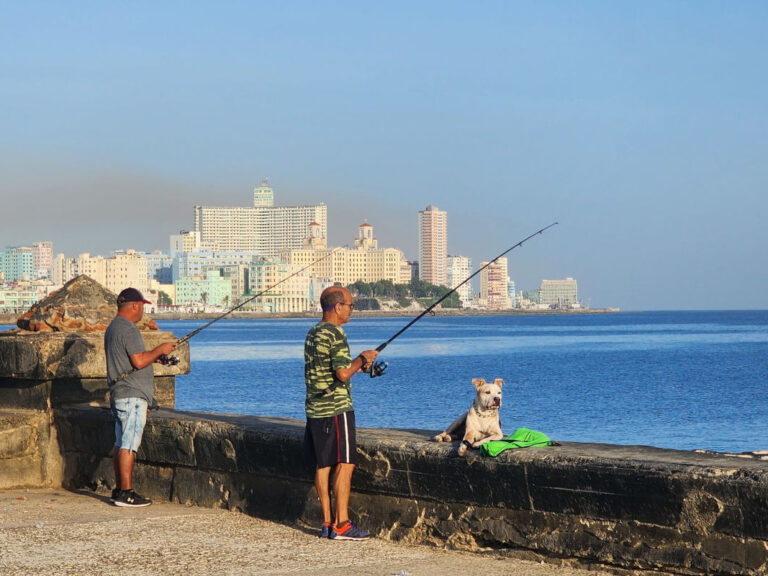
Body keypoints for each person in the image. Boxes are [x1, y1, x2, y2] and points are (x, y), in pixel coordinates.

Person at [304, 286, 379, 540]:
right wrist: (362, 357)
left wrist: (360, 367)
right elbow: (342, 373)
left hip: (315, 408)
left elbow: (329, 370)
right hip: (336, 409)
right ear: (337, 307)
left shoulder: (313, 333)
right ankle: (343, 524)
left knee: (323, 465)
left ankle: (327, 523)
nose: (351, 310)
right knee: (346, 464)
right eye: (349, 306)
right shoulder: (336, 333)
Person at [105, 287, 176, 507]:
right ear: (135, 306)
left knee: (120, 443)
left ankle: (118, 490)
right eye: (142, 306)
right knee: (129, 444)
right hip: (132, 396)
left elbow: (133, 361)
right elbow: (137, 361)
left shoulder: (113, 327)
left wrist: (156, 358)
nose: (143, 311)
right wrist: (160, 348)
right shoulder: (128, 329)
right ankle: (126, 492)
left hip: (120, 394)